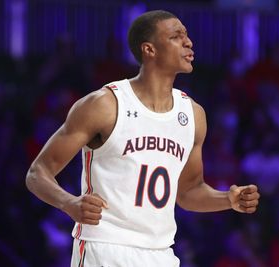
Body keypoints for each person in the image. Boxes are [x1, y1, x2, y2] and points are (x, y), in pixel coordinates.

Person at [26, 10, 260, 267]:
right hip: (105, 248)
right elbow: (38, 173)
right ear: (149, 49)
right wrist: (69, 202)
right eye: (176, 36)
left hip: (160, 253)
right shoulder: (104, 104)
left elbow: (189, 192)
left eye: (187, 35)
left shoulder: (193, 114)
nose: (188, 41)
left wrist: (227, 199)